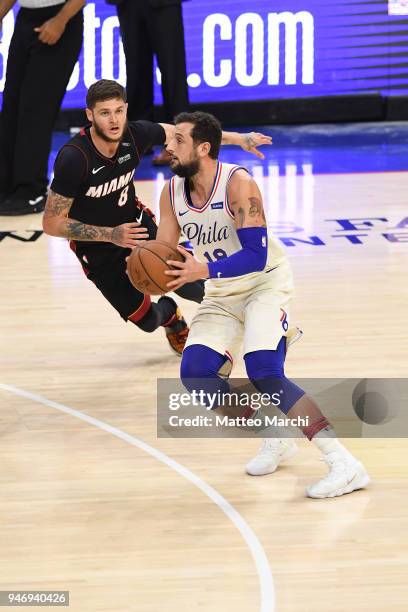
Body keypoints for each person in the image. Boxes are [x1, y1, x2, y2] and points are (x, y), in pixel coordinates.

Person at [156, 111, 370, 498]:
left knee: (264, 370)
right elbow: (164, 254)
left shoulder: (239, 184)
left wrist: (201, 268)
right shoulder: (171, 192)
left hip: (263, 284)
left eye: (178, 141)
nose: (168, 146)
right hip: (221, 293)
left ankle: (344, 463)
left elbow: (255, 255)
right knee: (197, 375)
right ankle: (275, 436)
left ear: (203, 148)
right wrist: (142, 263)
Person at [42, 80, 272, 354]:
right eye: (105, 113)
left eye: (119, 110)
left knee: (189, 282)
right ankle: (171, 318)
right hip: (97, 248)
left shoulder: (135, 134)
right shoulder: (74, 158)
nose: (114, 120)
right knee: (147, 321)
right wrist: (111, 235)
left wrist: (240, 139)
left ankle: (248, 318)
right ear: (90, 115)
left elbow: (190, 135)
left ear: (126, 109)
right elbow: (52, 223)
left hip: (138, 226)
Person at [0, 0, 84, 216]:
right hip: (26, 18)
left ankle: (31, 190)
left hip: (61, 17)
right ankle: (6, 185)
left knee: (35, 110)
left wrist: (61, 19)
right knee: (11, 107)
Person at [105, 0, 189, 166]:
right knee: (135, 70)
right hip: (129, 4)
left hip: (164, 4)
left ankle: (179, 140)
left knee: (173, 71)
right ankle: (139, 140)